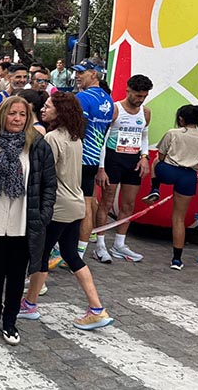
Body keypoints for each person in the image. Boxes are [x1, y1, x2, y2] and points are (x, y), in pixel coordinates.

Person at [18, 92, 113, 330]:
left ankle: (30, 304)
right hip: (75, 203)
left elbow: (45, 176)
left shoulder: (51, 138)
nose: (44, 110)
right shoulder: (75, 138)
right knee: (71, 255)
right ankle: (96, 307)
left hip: (57, 206)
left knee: (40, 255)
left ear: (60, 112)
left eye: (49, 107)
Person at [0, 97, 56, 345]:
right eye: (12, 114)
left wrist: (42, 216)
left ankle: (10, 322)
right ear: (3, 115)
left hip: (23, 220)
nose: (17, 119)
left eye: (22, 115)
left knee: (16, 274)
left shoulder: (38, 146)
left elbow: (49, 185)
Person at [149, 106, 198, 269]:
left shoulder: (172, 133)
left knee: (155, 163)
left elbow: (161, 156)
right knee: (179, 218)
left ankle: (155, 188)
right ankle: (177, 260)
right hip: (189, 177)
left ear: (181, 119)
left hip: (169, 171)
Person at [94, 74, 152, 263]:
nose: (140, 99)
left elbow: (144, 136)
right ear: (128, 90)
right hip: (113, 158)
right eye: (137, 95)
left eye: (144, 96)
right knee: (107, 202)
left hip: (133, 160)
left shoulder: (146, 112)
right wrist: (101, 168)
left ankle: (119, 244)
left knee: (128, 204)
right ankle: (100, 245)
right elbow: (102, 140)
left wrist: (145, 157)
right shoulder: (115, 110)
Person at [73, 60, 113, 260]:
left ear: (94, 74)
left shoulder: (83, 97)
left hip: (78, 159)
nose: (77, 76)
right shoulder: (109, 100)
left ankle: (65, 250)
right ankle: (80, 252)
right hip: (94, 159)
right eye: (76, 72)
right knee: (88, 204)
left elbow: (79, 128)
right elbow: (103, 134)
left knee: (71, 205)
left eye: (82, 72)